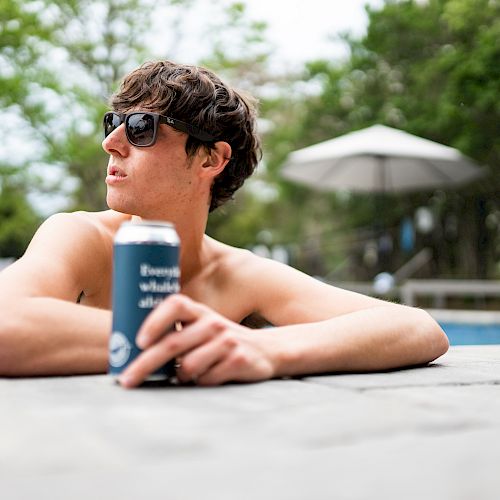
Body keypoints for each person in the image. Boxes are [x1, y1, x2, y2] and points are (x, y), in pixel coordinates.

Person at [0, 60, 449, 387]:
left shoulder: (237, 273)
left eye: (141, 127)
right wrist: (194, 342)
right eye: (112, 123)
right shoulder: (81, 236)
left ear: (211, 158)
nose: (111, 142)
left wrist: (263, 349)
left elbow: (417, 329)